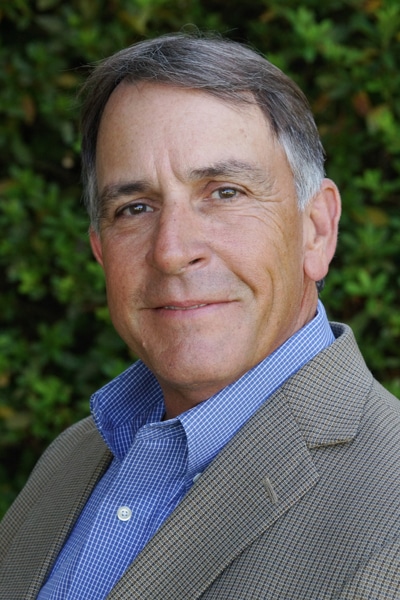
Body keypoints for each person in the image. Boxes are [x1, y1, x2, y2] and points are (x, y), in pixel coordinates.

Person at [1, 32, 399, 600]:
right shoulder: (70, 458)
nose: (171, 250)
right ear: (99, 249)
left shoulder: (391, 518)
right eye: (134, 208)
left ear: (316, 230)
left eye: (225, 193)